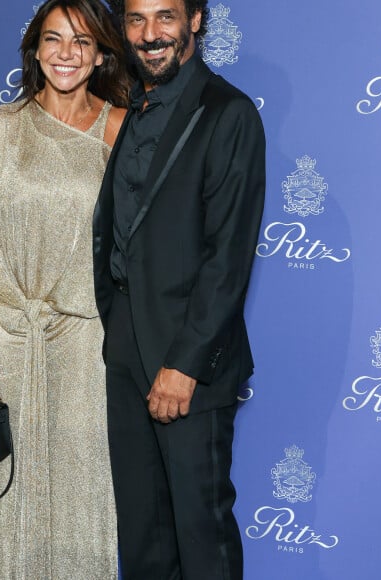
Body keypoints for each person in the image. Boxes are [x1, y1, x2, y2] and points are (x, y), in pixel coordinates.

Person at [0, 1, 130, 578]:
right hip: (9, 341)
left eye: (82, 42)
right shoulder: (2, 124)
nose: (67, 53)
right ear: (35, 49)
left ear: (99, 55)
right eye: (54, 39)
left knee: (79, 496)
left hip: (83, 344)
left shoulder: (119, 126)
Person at [92, 0, 266, 578]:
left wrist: (184, 365)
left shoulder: (228, 113)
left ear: (195, 20)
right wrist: (114, 329)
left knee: (201, 534)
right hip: (125, 353)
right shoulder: (132, 107)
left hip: (186, 366)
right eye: (136, 20)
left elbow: (228, 256)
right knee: (143, 537)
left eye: (165, 17)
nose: (149, 35)